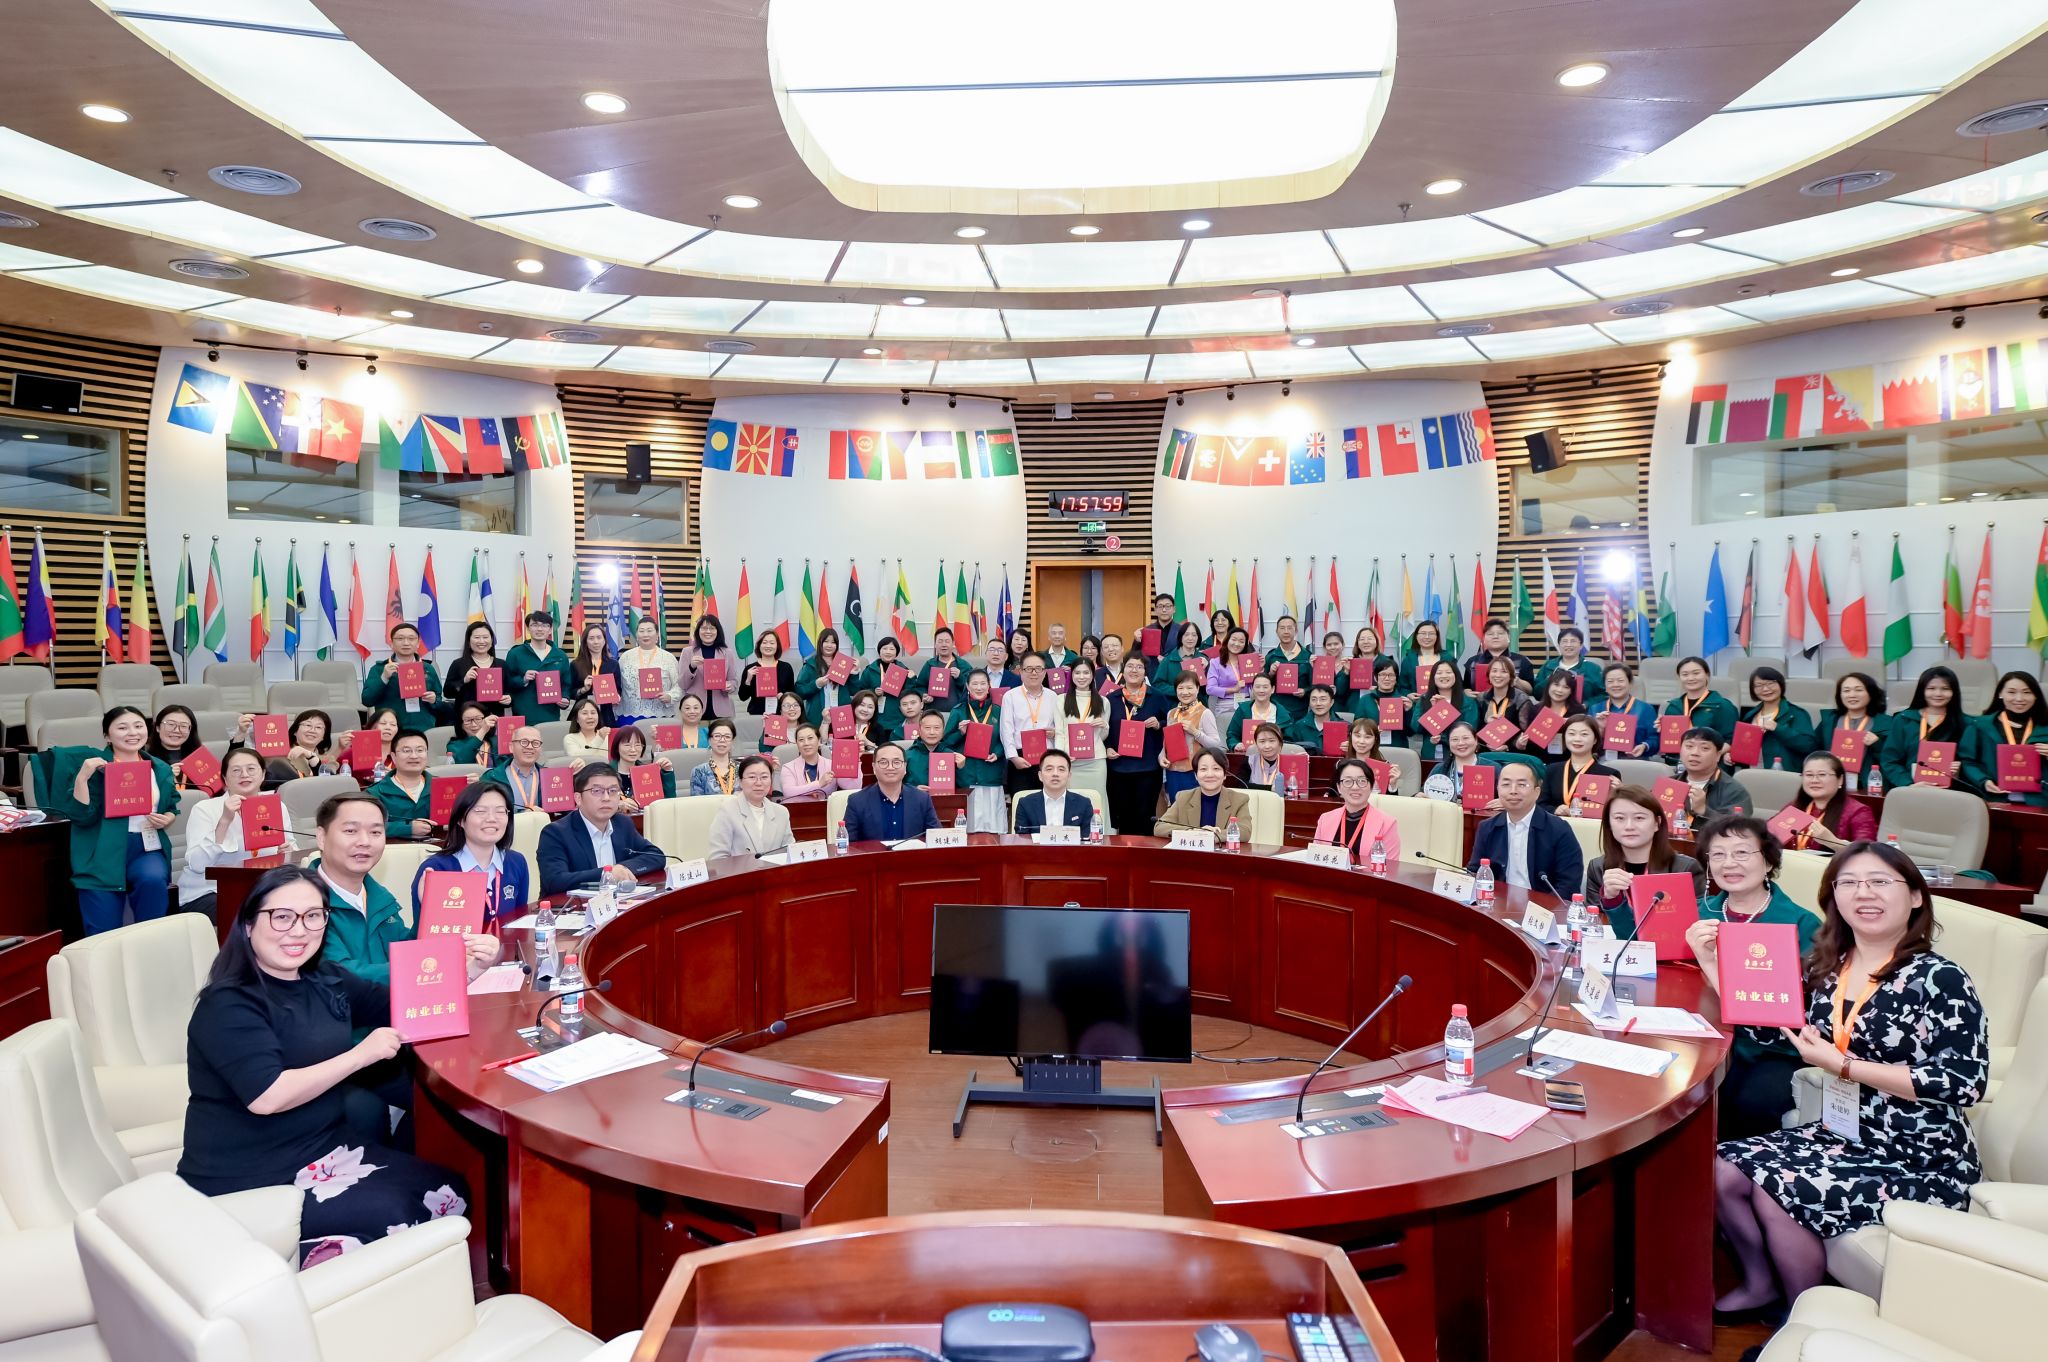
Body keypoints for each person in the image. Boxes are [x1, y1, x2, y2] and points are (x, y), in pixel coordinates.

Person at [1714, 844, 1988, 1319]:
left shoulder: (1939, 978)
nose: (1864, 893)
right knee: (1721, 1169)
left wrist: (1844, 1066)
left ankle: (1802, 1318)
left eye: (1880, 881)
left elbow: (1964, 1081)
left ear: (1915, 897)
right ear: (1833, 897)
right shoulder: (1829, 964)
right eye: (1850, 883)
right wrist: (1710, 961)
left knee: (1778, 1189)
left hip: (1919, 1154)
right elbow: (1771, 1028)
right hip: (1844, 1132)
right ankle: (1760, 1283)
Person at [178, 866, 473, 1265]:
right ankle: (282, 1266)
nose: (298, 930)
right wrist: (360, 1055)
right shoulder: (228, 1004)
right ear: (248, 924)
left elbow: (401, 1003)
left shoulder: (323, 978)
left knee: (451, 1190)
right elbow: (268, 1096)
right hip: (249, 1178)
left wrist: (469, 970)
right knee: (400, 1215)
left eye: (313, 916)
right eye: (282, 917)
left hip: (323, 1150)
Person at [1683, 815, 1822, 1140]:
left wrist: (1708, 960)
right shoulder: (1699, 913)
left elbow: (1774, 1009)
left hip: (1772, 1049)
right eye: (1718, 854)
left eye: (1742, 853)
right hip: (1702, 1036)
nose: (1729, 863)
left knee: (1745, 1102)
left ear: (1769, 861)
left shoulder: (1800, 923)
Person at [310, 791, 495, 988]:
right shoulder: (305, 906)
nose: (365, 841)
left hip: (393, 1005)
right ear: (321, 837)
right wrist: (442, 965)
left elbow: (405, 949)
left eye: (375, 832)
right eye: (350, 831)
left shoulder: (377, 896)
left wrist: (430, 911)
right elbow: (342, 976)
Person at [50, 705, 179, 935]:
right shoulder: (93, 767)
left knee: (152, 882)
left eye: (138, 726)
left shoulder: (159, 768)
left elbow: (171, 804)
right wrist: (82, 778)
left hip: (145, 847)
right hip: (101, 850)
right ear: (107, 736)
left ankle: (150, 946)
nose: (133, 733)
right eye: (122, 727)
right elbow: (81, 817)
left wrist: (167, 818)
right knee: (103, 932)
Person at [409, 782, 528, 930]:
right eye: (480, 811)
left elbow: (519, 925)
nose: (492, 818)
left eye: (500, 811)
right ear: (460, 820)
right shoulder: (436, 869)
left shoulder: (517, 862)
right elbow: (425, 935)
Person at [1585, 787, 1705, 928]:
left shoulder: (1685, 868)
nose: (1629, 826)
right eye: (1619, 818)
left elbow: (1697, 924)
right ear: (1609, 824)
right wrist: (1610, 899)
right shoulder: (1598, 867)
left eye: (1639, 818)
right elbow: (1594, 926)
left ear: (1657, 823)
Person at [535, 764, 665, 894]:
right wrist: (607, 874)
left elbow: (657, 857)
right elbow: (555, 881)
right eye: (597, 791)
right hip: (573, 904)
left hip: (618, 901)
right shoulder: (555, 833)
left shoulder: (622, 823)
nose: (606, 798)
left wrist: (621, 869)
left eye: (613, 791)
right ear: (578, 798)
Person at [177, 746, 269, 920]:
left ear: (263, 774)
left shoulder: (275, 807)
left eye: (251, 769)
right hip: (210, 891)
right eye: (236, 770)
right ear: (225, 779)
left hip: (259, 890)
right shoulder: (204, 809)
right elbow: (197, 865)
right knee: (254, 915)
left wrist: (286, 849)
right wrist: (225, 821)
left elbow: (290, 851)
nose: (244, 775)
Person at [1467, 759, 1583, 892]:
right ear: (1498, 789)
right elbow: (1474, 872)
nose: (1513, 791)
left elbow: (1568, 885)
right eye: (1506, 784)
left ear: (1537, 792)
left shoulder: (1559, 829)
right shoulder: (1487, 828)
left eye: (1522, 785)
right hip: (1497, 901)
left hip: (1542, 904)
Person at [1962, 670, 2048, 807]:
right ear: (2000, 694)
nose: (2019, 698)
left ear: (2036, 695)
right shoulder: (1980, 725)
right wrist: (1983, 781)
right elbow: (1967, 761)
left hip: (2040, 801)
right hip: (1993, 799)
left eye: (2027, 692)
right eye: (2011, 692)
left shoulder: (2045, 726)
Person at [1104, 654, 1169, 836]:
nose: (1134, 670)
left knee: (1145, 816)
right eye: (1130, 666)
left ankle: (1144, 851)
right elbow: (1104, 729)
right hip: (1118, 767)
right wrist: (1108, 747)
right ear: (1123, 670)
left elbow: (1171, 722)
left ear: (1145, 672)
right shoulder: (1111, 699)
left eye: (1139, 667)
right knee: (1123, 816)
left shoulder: (1156, 696)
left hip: (1148, 767)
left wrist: (1159, 724)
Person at [1878, 666, 1969, 793]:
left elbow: (1974, 764)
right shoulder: (1903, 720)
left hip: (1951, 793)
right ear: (1922, 690)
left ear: (1954, 692)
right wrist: (1908, 784)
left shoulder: (1967, 723)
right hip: (1911, 791)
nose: (1938, 694)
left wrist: (1961, 768)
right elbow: (1889, 760)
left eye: (1945, 689)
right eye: (1931, 688)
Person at [944, 670, 1008, 831]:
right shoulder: (958, 711)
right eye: (975, 684)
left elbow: (1006, 739)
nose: (979, 688)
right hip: (967, 775)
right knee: (969, 829)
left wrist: (998, 753)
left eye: (983, 683)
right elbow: (945, 743)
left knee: (994, 828)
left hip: (991, 773)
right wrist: (960, 733)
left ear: (989, 686)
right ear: (967, 686)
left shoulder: (998, 711)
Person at [1779, 750, 1879, 851]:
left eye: (1822, 775)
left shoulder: (1858, 812)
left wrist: (1832, 841)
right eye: (1809, 775)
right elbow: (1771, 835)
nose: (1814, 780)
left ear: (1840, 779)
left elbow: (1867, 851)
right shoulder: (1795, 807)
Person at [842, 742, 942, 841]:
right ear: (874, 768)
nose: (890, 767)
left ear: (905, 767)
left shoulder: (922, 799)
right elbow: (848, 844)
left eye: (896, 762)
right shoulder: (857, 801)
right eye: (883, 762)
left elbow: (937, 838)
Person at [1312, 759, 1403, 865]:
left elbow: (1390, 867)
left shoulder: (1387, 824)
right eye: (1348, 781)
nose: (1355, 787)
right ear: (1339, 788)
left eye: (1362, 781)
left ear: (1371, 786)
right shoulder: (1325, 819)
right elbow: (1316, 861)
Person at [361, 622, 443, 734]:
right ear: (391, 644)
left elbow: (439, 700)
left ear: (418, 643)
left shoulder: (428, 668)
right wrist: (384, 677)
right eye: (400, 638)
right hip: (392, 730)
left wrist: (434, 700)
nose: (406, 643)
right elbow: (367, 700)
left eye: (411, 638)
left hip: (424, 729)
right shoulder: (379, 669)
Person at [999, 651, 1062, 795]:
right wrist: (1013, 757)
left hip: (1047, 758)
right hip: (1020, 758)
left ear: (1045, 672)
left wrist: (1054, 733)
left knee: (1048, 800)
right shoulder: (1010, 696)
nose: (1034, 673)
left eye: (1038, 669)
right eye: (1029, 669)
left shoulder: (1053, 696)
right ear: (1021, 671)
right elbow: (1006, 730)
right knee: (1022, 801)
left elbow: (1059, 726)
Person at [1815, 671, 1889, 795]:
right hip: (1832, 784)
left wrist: (1878, 744)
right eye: (1846, 691)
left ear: (1871, 693)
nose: (1852, 695)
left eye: (1858, 690)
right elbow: (1813, 750)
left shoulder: (1886, 723)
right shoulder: (1830, 721)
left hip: (1867, 786)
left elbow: (1893, 760)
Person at [707, 756, 793, 859]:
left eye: (764, 777)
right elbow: (718, 858)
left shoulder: (781, 812)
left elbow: (790, 853)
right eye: (752, 777)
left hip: (775, 869)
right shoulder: (727, 811)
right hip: (739, 869)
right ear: (740, 782)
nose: (759, 783)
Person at [1154, 749, 1251, 838]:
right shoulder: (1183, 797)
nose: (1210, 774)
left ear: (1225, 774)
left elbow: (1245, 831)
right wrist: (1193, 832)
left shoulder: (1239, 800)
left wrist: (1212, 835)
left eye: (1216, 769)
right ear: (1196, 775)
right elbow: (1160, 827)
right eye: (1203, 769)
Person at [1741, 666, 1817, 774]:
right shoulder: (1750, 715)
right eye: (1759, 685)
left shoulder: (1796, 714)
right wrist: (1732, 756)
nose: (1765, 689)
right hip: (1753, 773)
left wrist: (1778, 728)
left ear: (1781, 684)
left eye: (1770, 683)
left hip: (1783, 774)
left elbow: (1808, 746)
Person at [502, 611, 572, 729]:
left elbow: (566, 684)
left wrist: (565, 698)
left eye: (544, 625)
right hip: (524, 713)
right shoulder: (515, 653)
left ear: (550, 629)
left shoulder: (560, 655)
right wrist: (523, 679)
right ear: (528, 628)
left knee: (549, 740)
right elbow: (507, 683)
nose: (539, 629)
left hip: (550, 714)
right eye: (534, 625)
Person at [1160, 671, 1222, 801]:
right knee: (1176, 807)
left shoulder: (1205, 713)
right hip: (1173, 771)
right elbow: (1166, 743)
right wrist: (1162, 756)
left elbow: (1216, 744)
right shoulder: (1171, 713)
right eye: (1180, 688)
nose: (1185, 692)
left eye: (1189, 688)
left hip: (1194, 771)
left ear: (1197, 689)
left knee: (1194, 808)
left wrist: (1195, 732)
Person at [1058, 656, 1110, 808]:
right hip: (1071, 761)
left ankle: (1099, 825)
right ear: (1072, 675)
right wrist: (1063, 756)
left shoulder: (1103, 701)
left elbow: (1102, 737)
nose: (1081, 677)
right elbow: (1060, 733)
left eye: (1086, 673)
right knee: (1072, 803)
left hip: (1096, 762)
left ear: (1093, 675)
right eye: (1077, 673)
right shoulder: (1061, 700)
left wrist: (1104, 726)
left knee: (1097, 801)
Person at [1541, 714, 1620, 814]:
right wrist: (1554, 810)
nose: (1577, 739)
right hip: (1556, 822)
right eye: (1571, 734)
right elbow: (1540, 804)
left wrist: (1620, 793)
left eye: (1584, 734)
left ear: (1595, 739)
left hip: (1591, 824)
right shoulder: (1551, 770)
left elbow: (1616, 810)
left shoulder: (1609, 775)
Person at [365, 730, 435, 840]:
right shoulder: (374, 794)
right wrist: (407, 828)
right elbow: (365, 826)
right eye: (406, 751)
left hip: (441, 847)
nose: (414, 756)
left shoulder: (442, 786)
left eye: (420, 750)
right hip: (393, 848)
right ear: (393, 756)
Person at [1678, 726, 1754, 825]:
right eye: (1689, 746)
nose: (1695, 753)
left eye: (1704, 748)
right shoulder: (1669, 784)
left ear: (1718, 755)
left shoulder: (1734, 791)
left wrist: (1704, 810)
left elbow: (1739, 827)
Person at [1013, 748, 1096, 837]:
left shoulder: (1083, 804)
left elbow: (1087, 839)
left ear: (1069, 776)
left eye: (1061, 769)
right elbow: (1022, 839)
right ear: (1040, 776)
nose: (1055, 774)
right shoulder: (1025, 804)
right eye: (1049, 769)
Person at [1663, 655, 1739, 749]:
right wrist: (1662, 729)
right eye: (1685, 674)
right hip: (1676, 757)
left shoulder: (1722, 705)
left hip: (1710, 757)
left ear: (1707, 675)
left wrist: (1712, 754)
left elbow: (1731, 740)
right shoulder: (1673, 707)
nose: (1690, 678)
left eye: (1696, 673)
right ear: (1679, 678)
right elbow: (1669, 739)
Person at [620, 615, 684, 723]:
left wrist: (670, 696)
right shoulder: (625, 657)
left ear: (657, 634)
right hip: (630, 714)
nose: (645, 634)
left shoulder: (668, 658)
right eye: (641, 631)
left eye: (649, 631)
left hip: (661, 715)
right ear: (637, 635)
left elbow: (679, 685)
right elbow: (617, 684)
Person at [1413, 659, 1477, 763]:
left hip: (1459, 753)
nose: (1444, 676)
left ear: (1456, 676)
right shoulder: (1424, 699)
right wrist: (1433, 711)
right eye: (1439, 673)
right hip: (1430, 752)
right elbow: (1416, 727)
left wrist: (1443, 737)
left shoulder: (1467, 702)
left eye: (1448, 672)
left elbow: (1470, 729)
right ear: (1433, 677)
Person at [479, 723, 551, 813]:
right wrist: (521, 815)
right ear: (511, 747)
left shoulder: (550, 777)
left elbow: (564, 811)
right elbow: (483, 811)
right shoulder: (491, 778)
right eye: (524, 742)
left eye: (536, 743)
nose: (530, 747)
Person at [1591, 662, 1657, 760]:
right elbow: (1587, 743)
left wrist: (1644, 746)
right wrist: (1600, 729)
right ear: (1605, 685)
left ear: (1630, 683)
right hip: (1603, 761)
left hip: (1637, 761)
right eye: (1610, 681)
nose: (1615, 685)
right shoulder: (1595, 709)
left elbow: (1655, 739)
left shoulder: (1646, 709)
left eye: (1620, 680)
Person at [680, 614, 741, 720]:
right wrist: (692, 667)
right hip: (694, 710)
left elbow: (734, 681)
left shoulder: (727, 653)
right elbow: (682, 684)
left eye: (712, 628)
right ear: (698, 631)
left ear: (718, 631)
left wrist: (729, 686)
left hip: (721, 710)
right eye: (704, 628)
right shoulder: (687, 652)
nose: (708, 631)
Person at [1517, 667, 1584, 759]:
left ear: (1571, 691)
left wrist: (1570, 723)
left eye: (1566, 687)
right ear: (1548, 686)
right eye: (1556, 685)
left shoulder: (1577, 711)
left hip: (1567, 759)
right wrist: (1521, 744)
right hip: (1538, 758)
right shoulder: (1535, 709)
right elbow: (1529, 742)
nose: (1559, 690)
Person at [442, 621, 504, 717]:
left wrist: (509, 699)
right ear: (468, 641)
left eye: (485, 637)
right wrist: (464, 681)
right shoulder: (458, 664)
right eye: (477, 637)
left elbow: (510, 691)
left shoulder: (501, 664)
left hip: (494, 718)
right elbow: (447, 693)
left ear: (492, 641)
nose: (481, 641)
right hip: (467, 719)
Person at [796, 627, 854, 725]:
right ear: (820, 643)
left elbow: (854, 690)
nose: (829, 645)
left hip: (841, 715)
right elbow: (799, 691)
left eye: (833, 642)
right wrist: (816, 684)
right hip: (818, 716)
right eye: (826, 641)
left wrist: (854, 674)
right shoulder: (810, 664)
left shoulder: (843, 663)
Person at [570, 621, 622, 727]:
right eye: (591, 638)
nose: (596, 642)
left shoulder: (613, 664)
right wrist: (583, 689)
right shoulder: (576, 664)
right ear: (585, 642)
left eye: (599, 638)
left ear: (604, 640)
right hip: (582, 714)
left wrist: (617, 697)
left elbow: (618, 689)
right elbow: (570, 692)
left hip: (606, 714)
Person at [1462, 617, 1534, 693]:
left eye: (1500, 633)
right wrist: (1466, 692)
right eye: (1490, 634)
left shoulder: (1522, 661)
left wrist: (1516, 681)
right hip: (1478, 700)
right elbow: (1466, 687)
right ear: (1484, 638)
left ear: (1509, 637)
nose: (1495, 637)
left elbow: (1531, 691)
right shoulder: (1473, 661)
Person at [1265, 614, 1314, 725]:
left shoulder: (1307, 656)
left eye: (1289, 628)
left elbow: (1315, 685)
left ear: (1296, 631)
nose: (1286, 632)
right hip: (1276, 710)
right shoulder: (1271, 657)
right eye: (1282, 628)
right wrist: (1271, 673)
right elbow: (1262, 684)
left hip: (1300, 711)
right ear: (1276, 632)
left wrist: (1305, 691)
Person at [1473, 657, 1533, 748]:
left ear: (1511, 676)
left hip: (1512, 751)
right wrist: (1487, 723)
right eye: (1494, 671)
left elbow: (1526, 734)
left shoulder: (1521, 699)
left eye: (1504, 671)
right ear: (1489, 674)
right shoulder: (1481, 698)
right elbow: (1475, 730)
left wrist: (1509, 746)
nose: (1498, 675)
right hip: (1485, 750)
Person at [610, 725, 676, 806]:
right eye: (627, 745)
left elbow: (669, 800)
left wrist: (668, 771)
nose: (633, 750)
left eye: (638, 745)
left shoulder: (648, 772)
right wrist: (617, 805)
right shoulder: (605, 773)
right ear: (617, 747)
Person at [1428, 721, 1491, 806]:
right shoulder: (1440, 769)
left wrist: (1501, 802)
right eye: (1455, 739)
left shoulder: (1492, 768)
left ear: (1476, 740)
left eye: (1466, 738)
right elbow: (1426, 793)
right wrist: (1419, 796)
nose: (1461, 743)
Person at [1533, 626, 1603, 701]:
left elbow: (1603, 695)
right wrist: (1549, 680)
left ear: (1581, 645)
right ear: (1559, 645)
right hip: (1552, 708)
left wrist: (1587, 704)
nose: (1568, 645)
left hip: (1581, 708)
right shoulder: (1548, 666)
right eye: (1564, 641)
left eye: (1573, 641)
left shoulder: (1593, 668)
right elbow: (1536, 693)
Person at [857, 636, 911, 733]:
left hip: (896, 716)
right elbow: (860, 691)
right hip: (874, 717)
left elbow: (910, 692)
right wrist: (873, 692)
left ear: (896, 652)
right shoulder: (870, 670)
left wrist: (911, 680)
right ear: (879, 651)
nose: (888, 652)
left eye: (892, 649)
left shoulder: (903, 670)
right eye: (885, 648)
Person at [737, 629, 796, 716]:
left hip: (780, 714)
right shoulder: (750, 669)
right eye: (764, 643)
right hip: (757, 715)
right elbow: (742, 697)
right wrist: (748, 680)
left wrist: (783, 696)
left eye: (772, 643)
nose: (768, 646)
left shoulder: (786, 667)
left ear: (777, 646)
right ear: (759, 646)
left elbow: (792, 694)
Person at [1205, 626, 1253, 733]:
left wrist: (1260, 668)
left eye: (1241, 641)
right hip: (1225, 706)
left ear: (1245, 645)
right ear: (1227, 641)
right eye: (1234, 639)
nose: (1237, 644)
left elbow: (1256, 685)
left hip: (1245, 704)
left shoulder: (1249, 662)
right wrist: (1233, 689)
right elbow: (1210, 689)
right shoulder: (1215, 663)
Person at [146, 703, 206, 788]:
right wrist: (165, 777)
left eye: (183, 726)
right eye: (171, 724)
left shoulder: (201, 760)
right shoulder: (145, 760)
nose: (177, 730)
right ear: (158, 727)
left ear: (190, 730)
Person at [779, 723, 845, 800]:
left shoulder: (832, 765)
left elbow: (850, 787)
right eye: (801, 740)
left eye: (810, 738)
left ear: (819, 741)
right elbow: (788, 792)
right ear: (797, 744)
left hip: (827, 807)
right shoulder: (788, 767)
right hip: (799, 807)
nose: (806, 743)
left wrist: (854, 764)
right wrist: (819, 784)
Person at [914, 627, 971, 713]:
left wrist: (960, 677)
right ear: (935, 644)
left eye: (947, 641)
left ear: (953, 643)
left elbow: (972, 688)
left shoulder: (963, 665)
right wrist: (924, 695)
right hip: (932, 713)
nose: (944, 645)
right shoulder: (929, 665)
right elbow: (919, 686)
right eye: (940, 641)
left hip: (957, 714)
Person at [1150, 621, 1207, 706]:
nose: (1190, 638)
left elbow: (1210, 688)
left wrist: (1206, 670)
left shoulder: (1204, 660)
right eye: (1186, 635)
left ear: (1198, 638)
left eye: (1194, 635)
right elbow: (1157, 684)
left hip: (1198, 707)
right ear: (1180, 637)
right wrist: (1178, 690)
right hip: (1174, 707)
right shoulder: (1168, 660)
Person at [277, 710, 343, 780]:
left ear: (324, 736)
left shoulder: (328, 760)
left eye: (318, 727)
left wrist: (311, 757)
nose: (312, 730)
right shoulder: (280, 755)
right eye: (308, 725)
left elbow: (330, 780)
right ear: (295, 731)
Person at [1361, 659, 1410, 749]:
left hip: (1398, 748)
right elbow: (1357, 727)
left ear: (1396, 678)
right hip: (1371, 748)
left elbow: (1410, 732)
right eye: (1383, 674)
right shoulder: (1365, 700)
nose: (1387, 678)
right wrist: (1372, 730)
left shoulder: (1403, 701)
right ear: (1375, 677)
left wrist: (1408, 711)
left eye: (1391, 675)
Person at [1286, 684, 1346, 755]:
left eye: (1323, 699)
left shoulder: (1344, 727)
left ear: (1332, 702)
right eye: (1314, 699)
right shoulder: (1299, 726)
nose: (1318, 703)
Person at [689, 718, 741, 796]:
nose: (722, 740)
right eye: (717, 736)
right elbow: (697, 802)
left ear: (732, 741)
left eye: (727, 737)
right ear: (709, 740)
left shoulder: (742, 769)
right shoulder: (699, 772)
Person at [904, 710, 953, 789]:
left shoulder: (951, 755)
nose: (932, 732)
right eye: (927, 728)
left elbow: (963, 787)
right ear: (919, 731)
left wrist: (960, 768)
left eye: (936, 728)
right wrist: (914, 790)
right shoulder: (907, 756)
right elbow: (896, 785)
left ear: (943, 731)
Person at [351, 708, 402, 779]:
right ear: (372, 726)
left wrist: (394, 777)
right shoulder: (356, 751)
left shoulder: (402, 754)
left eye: (393, 725)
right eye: (383, 723)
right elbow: (336, 772)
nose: (388, 728)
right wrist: (340, 748)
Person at [1401, 620, 1446, 695]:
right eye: (1423, 633)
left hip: (1442, 701)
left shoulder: (1447, 658)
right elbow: (1402, 686)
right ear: (1416, 636)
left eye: (1431, 633)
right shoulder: (1408, 660)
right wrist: (1408, 695)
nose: (1427, 637)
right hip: (1417, 701)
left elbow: (1457, 683)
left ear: (1437, 636)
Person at [1243, 723, 1290, 794]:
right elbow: (1240, 785)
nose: (1267, 746)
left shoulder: (1289, 762)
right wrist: (1269, 788)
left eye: (1272, 741)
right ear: (1256, 744)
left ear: (1280, 743)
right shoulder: (1249, 761)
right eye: (1262, 741)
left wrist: (1303, 763)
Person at [562, 698, 610, 766]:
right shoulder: (570, 738)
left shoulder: (607, 736)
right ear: (577, 719)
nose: (590, 717)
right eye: (584, 713)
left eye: (593, 713)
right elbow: (575, 758)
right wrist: (599, 738)